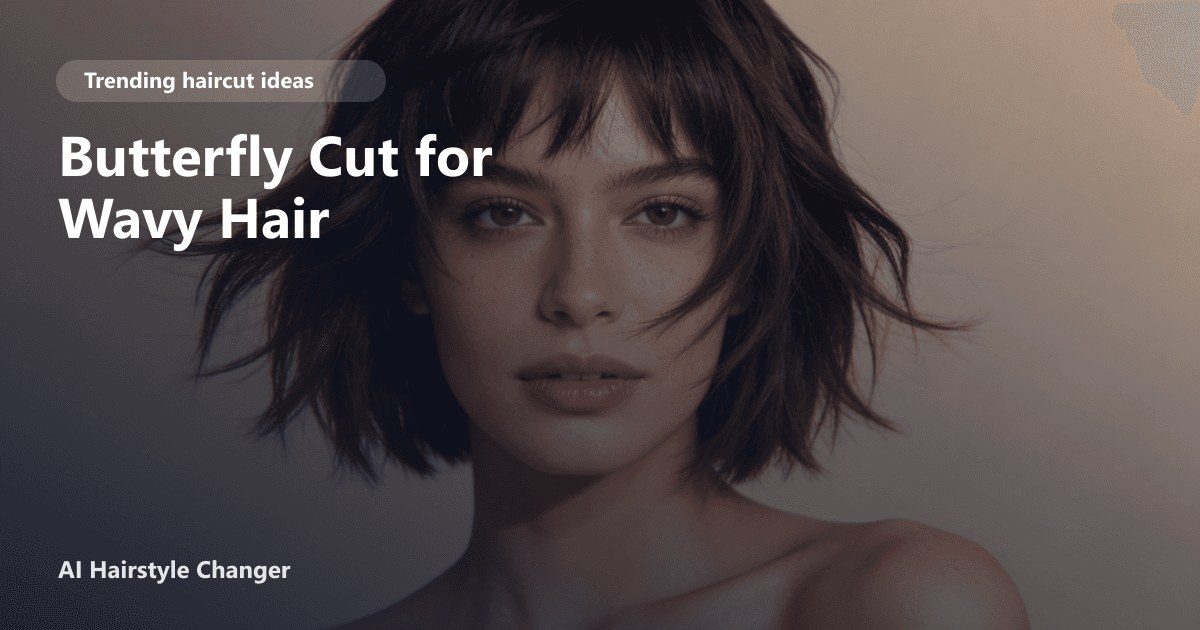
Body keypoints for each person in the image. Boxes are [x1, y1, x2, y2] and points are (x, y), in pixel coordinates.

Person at [161, 0, 1030, 627]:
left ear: (753, 270)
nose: (579, 294)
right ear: (407, 263)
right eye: (501, 212)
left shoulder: (891, 605)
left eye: (663, 214)